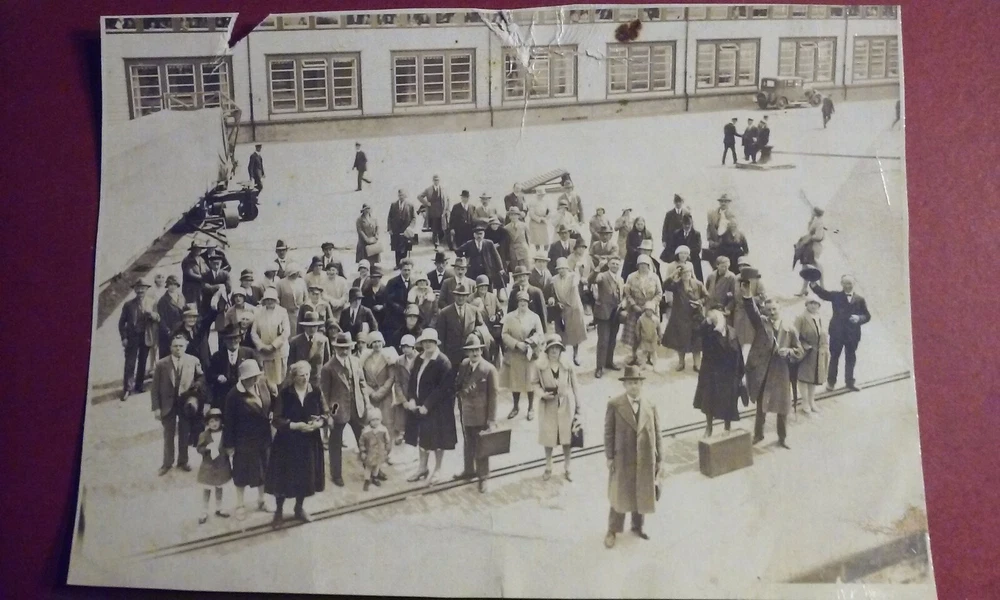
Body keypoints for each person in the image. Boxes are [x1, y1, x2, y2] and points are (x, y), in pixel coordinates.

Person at [604, 366, 662, 548]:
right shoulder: (615, 405)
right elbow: (608, 432)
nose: (633, 386)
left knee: (642, 491)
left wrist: (660, 458)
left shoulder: (650, 405)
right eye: (630, 383)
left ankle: (638, 526)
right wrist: (609, 457)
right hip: (623, 457)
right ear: (624, 385)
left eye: (636, 382)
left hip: (644, 457)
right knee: (619, 494)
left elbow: (657, 432)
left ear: (641, 384)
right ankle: (612, 530)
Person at [265, 361, 326, 528]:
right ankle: (278, 512)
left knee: (305, 477)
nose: (305, 378)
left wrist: (319, 423)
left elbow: (326, 413)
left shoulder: (316, 392)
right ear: (293, 377)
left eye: (307, 374)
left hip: (309, 442)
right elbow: (276, 419)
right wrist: (294, 425)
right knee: (283, 479)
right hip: (287, 443)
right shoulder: (285, 394)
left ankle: (299, 508)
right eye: (301, 375)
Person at [742, 294, 804, 448]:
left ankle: (782, 438)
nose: (772, 312)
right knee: (761, 406)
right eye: (769, 310)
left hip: (781, 372)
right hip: (763, 372)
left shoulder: (789, 328)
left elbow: (800, 351)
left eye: (774, 309)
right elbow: (752, 312)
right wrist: (747, 297)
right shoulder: (762, 324)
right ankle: (758, 434)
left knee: (782, 406)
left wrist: (789, 351)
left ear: (780, 309)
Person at [403, 329, 456, 485]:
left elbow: (443, 388)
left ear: (436, 343)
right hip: (419, 407)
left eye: (430, 341)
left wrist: (427, 404)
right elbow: (412, 381)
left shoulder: (443, 362)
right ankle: (422, 468)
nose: (427, 344)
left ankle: (437, 469)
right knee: (422, 437)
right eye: (425, 341)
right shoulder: (419, 359)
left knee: (438, 440)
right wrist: (412, 398)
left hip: (438, 408)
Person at [320, 332, 371, 487]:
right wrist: (328, 414)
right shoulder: (328, 368)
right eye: (341, 348)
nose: (344, 351)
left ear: (351, 347)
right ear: (335, 348)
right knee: (335, 443)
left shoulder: (355, 361)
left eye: (347, 348)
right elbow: (324, 393)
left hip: (357, 407)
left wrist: (366, 402)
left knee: (365, 439)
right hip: (337, 410)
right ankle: (336, 474)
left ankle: (371, 469)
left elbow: (362, 383)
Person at [151, 334, 204, 475]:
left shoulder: (193, 361)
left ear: (186, 346)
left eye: (181, 346)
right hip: (167, 404)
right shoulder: (161, 364)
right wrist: (156, 408)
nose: (178, 348)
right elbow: (154, 388)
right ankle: (167, 463)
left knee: (184, 433)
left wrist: (197, 385)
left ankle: (183, 461)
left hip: (185, 403)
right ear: (170, 347)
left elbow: (201, 376)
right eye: (175, 346)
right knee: (168, 434)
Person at [453, 334, 499, 493]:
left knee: (482, 445)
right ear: (467, 352)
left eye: (477, 350)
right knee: (468, 442)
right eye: (471, 350)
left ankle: (483, 476)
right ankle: (468, 470)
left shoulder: (489, 369)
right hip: (467, 412)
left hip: (482, 414)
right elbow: (459, 385)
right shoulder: (464, 365)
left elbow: (494, 396)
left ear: (481, 350)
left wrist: (491, 419)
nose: (474, 353)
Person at [809, 275, 871, 392]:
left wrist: (859, 318)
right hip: (837, 333)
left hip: (852, 335)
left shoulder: (860, 299)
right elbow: (823, 294)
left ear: (854, 284)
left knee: (851, 358)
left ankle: (850, 382)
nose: (847, 286)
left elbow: (867, 316)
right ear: (841, 284)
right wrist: (813, 284)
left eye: (850, 283)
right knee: (834, 358)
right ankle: (831, 383)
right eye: (845, 283)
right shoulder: (836, 296)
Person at [533, 336, 580, 482]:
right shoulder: (540, 366)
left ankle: (568, 467)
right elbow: (534, 384)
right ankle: (548, 466)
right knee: (549, 437)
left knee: (567, 438)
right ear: (547, 350)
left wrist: (578, 405)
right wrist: (542, 394)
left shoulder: (567, 364)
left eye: (557, 348)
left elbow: (575, 385)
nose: (554, 351)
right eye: (551, 348)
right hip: (548, 405)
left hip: (566, 404)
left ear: (561, 350)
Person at [693, 310, 744, 437]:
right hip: (712, 374)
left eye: (719, 318)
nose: (719, 321)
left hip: (729, 374)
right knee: (709, 402)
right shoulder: (709, 333)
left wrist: (741, 374)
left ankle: (727, 427)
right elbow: (698, 333)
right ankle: (709, 427)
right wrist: (707, 322)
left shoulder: (732, 332)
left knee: (729, 403)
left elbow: (738, 353)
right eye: (714, 319)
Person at [501, 290, 546, 420]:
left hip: (530, 354)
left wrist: (530, 342)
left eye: (525, 301)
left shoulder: (534, 317)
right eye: (520, 301)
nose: (523, 303)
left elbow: (540, 334)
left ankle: (531, 407)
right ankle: (516, 407)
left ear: (528, 302)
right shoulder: (509, 317)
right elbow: (504, 334)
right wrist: (516, 344)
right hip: (515, 354)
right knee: (515, 382)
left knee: (530, 382)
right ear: (517, 302)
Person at [662, 262, 708, 371]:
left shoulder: (698, 283)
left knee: (696, 342)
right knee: (680, 341)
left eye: (688, 272)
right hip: (680, 317)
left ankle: (697, 364)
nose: (687, 274)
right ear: (680, 274)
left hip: (695, 317)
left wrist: (699, 302)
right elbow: (665, 286)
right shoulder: (676, 285)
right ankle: (681, 363)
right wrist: (673, 274)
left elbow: (706, 297)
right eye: (684, 273)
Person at [120, 278, 156, 400]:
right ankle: (127, 389)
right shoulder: (128, 305)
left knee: (142, 362)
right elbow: (121, 323)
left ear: (146, 289)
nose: (140, 290)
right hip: (132, 337)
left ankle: (139, 386)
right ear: (135, 290)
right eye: (138, 288)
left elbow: (158, 318)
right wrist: (124, 337)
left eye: (143, 288)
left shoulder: (152, 302)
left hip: (145, 336)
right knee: (130, 363)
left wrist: (152, 315)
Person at [794, 293, 830, 413]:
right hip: (806, 353)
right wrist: (803, 346)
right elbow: (794, 336)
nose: (813, 306)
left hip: (818, 353)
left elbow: (824, 334)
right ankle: (805, 402)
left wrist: (825, 348)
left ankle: (811, 401)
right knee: (804, 378)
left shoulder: (820, 317)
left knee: (814, 378)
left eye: (816, 304)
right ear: (806, 304)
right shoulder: (801, 318)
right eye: (811, 303)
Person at [548, 257, 588, 365]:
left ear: (567, 268)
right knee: (561, 333)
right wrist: (556, 302)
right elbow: (553, 294)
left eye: (563, 268)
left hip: (574, 308)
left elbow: (575, 283)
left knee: (575, 333)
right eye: (559, 269)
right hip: (561, 309)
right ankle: (561, 356)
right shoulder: (554, 280)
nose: (561, 270)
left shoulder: (573, 277)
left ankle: (576, 355)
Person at [362, 332, 398, 450]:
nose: (377, 344)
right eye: (374, 342)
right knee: (371, 421)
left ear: (382, 343)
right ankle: (372, 449)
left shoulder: (388, 357)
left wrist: (380, 392)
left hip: (385, 394)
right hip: (370, 394)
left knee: (387, 421)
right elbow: (362, 378)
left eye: (379, 342)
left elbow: (391, 377)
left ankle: (388, 450)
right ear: (370, 344)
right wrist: (371, 392)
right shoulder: (365, 358)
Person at [195, 408, 231, 524]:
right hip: (208, 466)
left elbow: (229, 445)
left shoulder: (225, 433)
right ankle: (204, 510)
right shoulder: (204, 435)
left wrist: (229, 451)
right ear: (207, 423)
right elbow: (199, 448)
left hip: (222, 465)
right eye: (211, 421)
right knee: (207, 488)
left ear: (221, 421)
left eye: (216, 420)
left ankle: (219, 508)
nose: (214, 424)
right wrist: (206, 449)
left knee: (219, 487)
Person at [437, 283, 485, 367]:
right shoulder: (445, 312)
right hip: (451, 356)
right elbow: (441, 336)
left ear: (467, 296)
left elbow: (481, 328)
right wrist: (443, 357)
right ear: (454, 296)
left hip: (469, 355)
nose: (461, 298)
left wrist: (473, 336)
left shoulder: (474, 310)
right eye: (458, 295)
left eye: (463, 295)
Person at [591, 255, 624, 379]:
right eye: (613, 263)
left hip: (616, 313)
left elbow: (622, 295)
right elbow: (592, 280)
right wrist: (597, 268)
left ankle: (609, 362)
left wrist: (623, 303)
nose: (615, 266)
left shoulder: (620, 279)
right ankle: (599, 367)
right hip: (603, 313)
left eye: (617, 264)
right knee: (603, 341)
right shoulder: (602, 276)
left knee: (612, 339)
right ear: (608, 264)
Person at [621, 255, 662, 352]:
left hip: (651, 310)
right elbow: (627, 293)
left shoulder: (654, 277)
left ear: (649, 266)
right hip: (635, 309)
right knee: (635, 333)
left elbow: (659, 293)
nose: (643, 267)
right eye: (641, 264)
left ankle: (649, 355)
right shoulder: (631, 277)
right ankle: (634, 354)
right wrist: (633, 305)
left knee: (650, 333)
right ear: (637, 266)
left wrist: (651, 305)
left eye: (645, 265)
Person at [251, 287, 290, 389]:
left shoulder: (282, 312)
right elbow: (253, 333)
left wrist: (274, 345)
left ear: (276, 300)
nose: (269, 301)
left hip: (279, 351)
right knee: (267, 380)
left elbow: (286, 331)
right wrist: (262, 346)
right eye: (267, 299)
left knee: (280, 379)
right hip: (264, 352)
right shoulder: (258, 312)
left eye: (272, 299)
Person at [208, 325, 256, 406]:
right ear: (224, 340)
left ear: (240, 339)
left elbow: (257, 372)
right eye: (229, 339)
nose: (233, 341)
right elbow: (209, 375)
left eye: (235, 338)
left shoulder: (249, 353)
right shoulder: (217, 356)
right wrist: (218, 377)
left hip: (245, 394)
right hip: (224, 396)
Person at [286, 311, 332, 389]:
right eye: (309, 326)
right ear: (304, 327)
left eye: (314, 326)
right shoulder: (295, 341)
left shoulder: (323, 340)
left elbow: (327, 363)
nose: (312, 329)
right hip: (300, 381)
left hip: (318, 382)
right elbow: (291, 364)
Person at [458, 224, 507, 292]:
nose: (479, 236)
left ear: (484, 234)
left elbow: (496, 256)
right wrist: (464, 257)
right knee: (474, 287)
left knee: (488, 287)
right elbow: (458, 250)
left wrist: (500, 268)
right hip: (473, 270)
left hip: (487, 269)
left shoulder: (489, 243)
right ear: (474, 235)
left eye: (481, 234)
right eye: (477, 234)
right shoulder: (469, 243)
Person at [389, 334, 418, 444]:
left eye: (408, 346)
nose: (405, 349)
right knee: (401, 412)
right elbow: (397, 382)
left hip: (416, 392)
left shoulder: (420, 359)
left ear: (413, 347)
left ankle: (417, 434)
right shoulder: (399, 361)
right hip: (404, 392)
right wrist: (402, 399)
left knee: (416, 413)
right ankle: (401, 433)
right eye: (403, 347)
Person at [733, 259, 767, 347]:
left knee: (750, 336)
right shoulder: (735, 278)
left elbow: (763, 296)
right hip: (739, 311)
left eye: (745, 265)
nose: (742, 267)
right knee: (738, 335)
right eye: (740, 266)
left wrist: (750, 300)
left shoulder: (756, 279)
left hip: (751, 312)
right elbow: (732, 294)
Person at [795, 207, 827, 295]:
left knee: (814, 264)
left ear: (816, 212)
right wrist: (811, 219)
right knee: (805, 266)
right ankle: (804, 289)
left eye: (813, 211)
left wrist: (808, 237)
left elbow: (819, 236)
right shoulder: (816, 220)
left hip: (814, 247)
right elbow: (810, 230)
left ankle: (822, 286)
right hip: (809, 246)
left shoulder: (819, 222)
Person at [199, 249, 231, 335]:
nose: (216, 266)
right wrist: (219, 287)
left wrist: (213, 289)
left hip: (221, 306)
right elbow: (205, 288)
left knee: (221, 329)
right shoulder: (205, 275)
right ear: (210, 264)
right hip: (207, 305)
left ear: (221, 263)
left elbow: (228, 289)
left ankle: (221, 344)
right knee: (205, 328)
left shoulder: (225, 274)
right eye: (214, 264)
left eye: (218, 264)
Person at [359, 407, 392, 491]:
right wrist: (363, 451)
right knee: (368, 467)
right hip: (370, 452)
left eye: (377, 419)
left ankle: (375, 477)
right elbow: (361, 442)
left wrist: (387, 449)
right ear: (369, 420)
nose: (375, 422)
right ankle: (367, 480)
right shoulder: (366, 431)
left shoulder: (383, 429)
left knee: (377, 466)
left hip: (380, 452)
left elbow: (387, 440)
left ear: (380, 419)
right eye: (373, 420)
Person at [665, 213, 704, 282]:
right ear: (682, 224)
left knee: (696, 279)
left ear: (691, 224)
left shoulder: (696, 234)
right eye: (685, 224)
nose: (687, 226)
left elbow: (698, 248)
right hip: (679, 259)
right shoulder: (676, 233)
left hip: (693, 259)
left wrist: (686, 254)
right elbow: (672, 247)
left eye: (689, 224)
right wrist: (680, 255)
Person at [417, 174, 451, 248]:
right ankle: (436, 244)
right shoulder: (428, 189)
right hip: (432, 212)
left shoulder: (443, 189)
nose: (436, 181)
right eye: (435, 180)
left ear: (439, 181)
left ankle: (444, 243)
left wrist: (447, 210)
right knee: (434, 229)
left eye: (437, 180)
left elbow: (448, 199)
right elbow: (419, 196)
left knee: (442, 228)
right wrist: (426, 203)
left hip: (441, 212)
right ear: (433, 181)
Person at [157, 275, 186, 357]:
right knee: (167, 355)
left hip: (180, 330)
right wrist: (167, 331)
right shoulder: (163, 300)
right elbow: (161, 318)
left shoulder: (181, 297)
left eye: (175, 284)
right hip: (168, 331)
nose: (173, 286)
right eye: (170, 284)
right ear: (167, 285)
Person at [383, 258, 414, 335]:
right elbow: (388, 299)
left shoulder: (414, 282)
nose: (407, 272)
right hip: (395, 317)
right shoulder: (392, 282)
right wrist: (401, 309)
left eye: (409, 270)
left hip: (409, 316)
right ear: (400, 270)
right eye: (405, 270)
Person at [387, 189, 417, 267]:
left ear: (405, 196)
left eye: (402, 195)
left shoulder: (410, 205)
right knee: (397, 249)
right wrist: (389, 229)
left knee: (405, 248)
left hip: (405, 230)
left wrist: (410, 227)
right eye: (400, 195)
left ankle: (404, 265)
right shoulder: (393, 205)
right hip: (396, 230)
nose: (401, 197)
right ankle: (397, 264)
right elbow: (389, 217)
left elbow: (414, 218)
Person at [276, 264, 307, 338]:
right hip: (286, 313)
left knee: (299, 332)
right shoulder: (281, 283)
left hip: (299, 312)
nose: (296, 274)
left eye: (297, 272)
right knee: (288, 332)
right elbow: (277, 298)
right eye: (294, 273)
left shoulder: (301, 282)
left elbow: (306, 297)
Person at [706, 194, 736, 263]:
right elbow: (709, 228)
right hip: (715, 243)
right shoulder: (713, 214)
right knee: (714, 263)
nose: (723, 203)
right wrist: (710, 240)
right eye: (722, 201)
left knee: (726, 263)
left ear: (728, 203)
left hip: (727, 245)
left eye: (725, 202)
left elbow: (734, 230)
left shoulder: (732, 215)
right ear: (719, 202)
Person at [621, 217, 653, 281]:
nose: (640, 226)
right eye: (638, 224)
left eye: (641, 224)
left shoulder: (648, 234)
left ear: (644, 224)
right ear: (635, 224)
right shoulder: (631, 234)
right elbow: (628, 245)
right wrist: (636, 251)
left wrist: (645, 252)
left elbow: (650, 245)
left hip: (644, 256)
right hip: (632, 257)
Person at [504, 207, 532, 272]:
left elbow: (528, 239)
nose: (513, 217)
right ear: (509, 217)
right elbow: (506, 242)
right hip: (513, 251)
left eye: (515, 215)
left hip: (523, 250)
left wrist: (528, 249)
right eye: (511, 215)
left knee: (526, 269)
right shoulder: (506, 228)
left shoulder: (524, 226)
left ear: (518, 216)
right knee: (515, 270)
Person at [634, 302, 660, 368]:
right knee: (644, 352)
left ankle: (655, 365)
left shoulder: (656, 319)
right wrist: (638, 335)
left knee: (653, 352)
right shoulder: (641, 319)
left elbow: (659, 328)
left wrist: (660, 337)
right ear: (645, 310)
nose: (648, 312)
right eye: (647, 310)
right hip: (644, 338)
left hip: (653, 338)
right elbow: (637, 328)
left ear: (653, 311)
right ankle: (643, 365)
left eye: (650, 310)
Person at [181, 241, 207, 305]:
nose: (199, 250)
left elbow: (207, 270)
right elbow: (189, 273)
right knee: (192, 306)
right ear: (192, 250)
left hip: (200, 288)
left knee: (201, 305)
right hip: (190, 289)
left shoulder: (201, 259)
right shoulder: (187, 260)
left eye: (200, 248)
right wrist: (202, 278)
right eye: (196, 248)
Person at [362, 264, 388, 328]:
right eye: (372, 277)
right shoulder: (366, 291)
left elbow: (389, 303)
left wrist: (382, 306)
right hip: (370, 319)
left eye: (375, 277)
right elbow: (363, 305)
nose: (373, 279)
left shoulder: (385, 290)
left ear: (380, 277)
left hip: (383, 319)